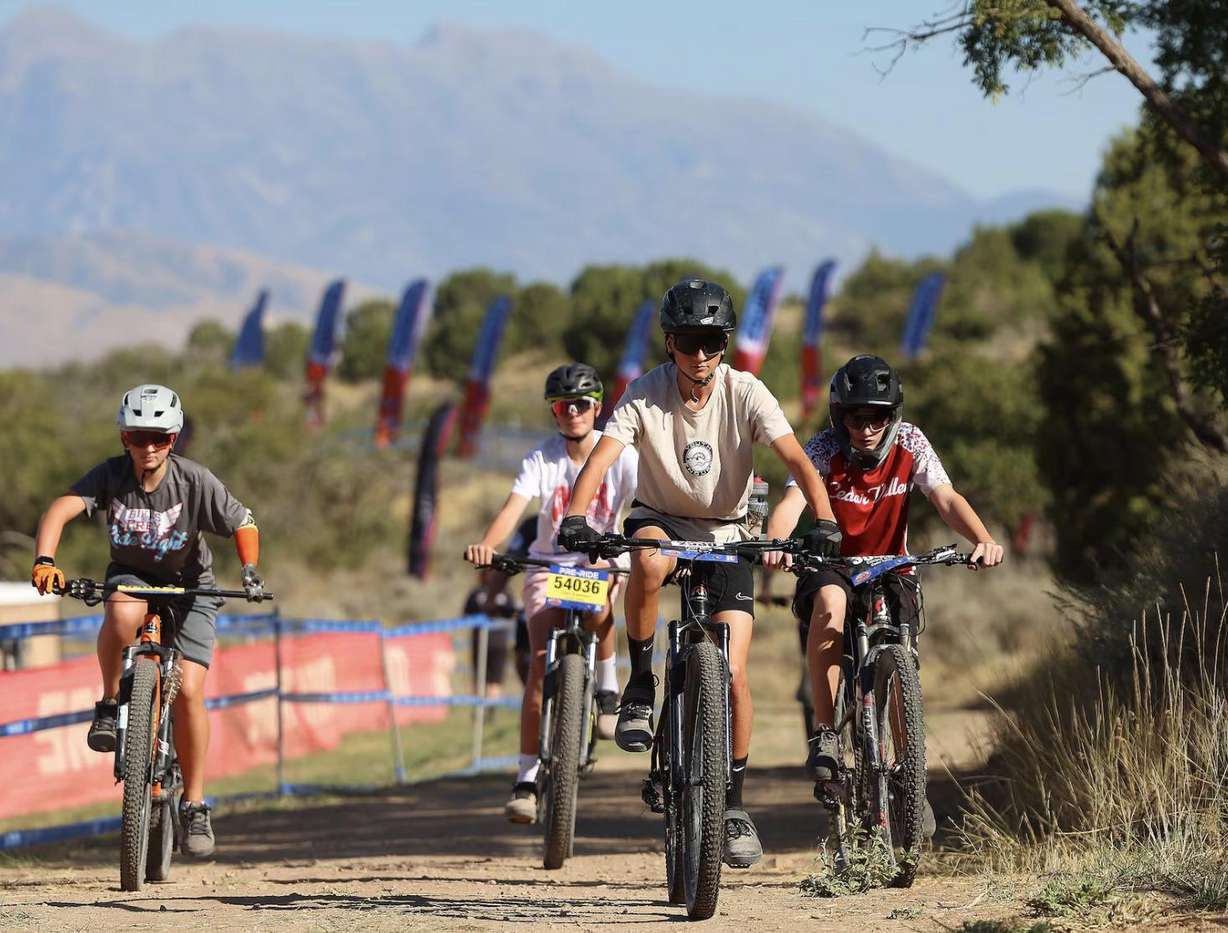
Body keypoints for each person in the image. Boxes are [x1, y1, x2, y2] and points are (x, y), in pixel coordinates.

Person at [557, 278, 842, 868]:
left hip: (728, 533)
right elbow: (602, 458)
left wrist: (825, 519)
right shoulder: (643, 393)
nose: (701, 354)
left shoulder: (747, 392)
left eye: (712, 341)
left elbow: (796, 459)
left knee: (734, 674)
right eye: (689, 341)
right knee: (647, 557)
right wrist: (577, 515)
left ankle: (733, 803)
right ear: (669, 343)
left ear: (725, 344)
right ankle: (640, 684)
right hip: (660, 519)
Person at [30, 384, 265, 859]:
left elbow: (243, 522)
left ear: (173, 439)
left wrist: (248, 570)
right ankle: (110, 701)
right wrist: (44, 559)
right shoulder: (112, 476)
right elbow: (61, 507)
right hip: (133, 576)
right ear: (124, 437)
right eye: (139, 436)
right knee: (120, 610)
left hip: (191, 587)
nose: (149, 447)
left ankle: (195, 803)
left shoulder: (195, 481)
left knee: (192, 693)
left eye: (160, 437)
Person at [763, 354, 1004, 792]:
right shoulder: (821, 449)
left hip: (892, 565)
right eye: (857, 417)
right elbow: (791, 504)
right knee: (830, 604)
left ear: (894, 416)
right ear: (840, 416)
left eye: (879, 417)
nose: (868, 428)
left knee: (902, 655)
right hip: (833, 566)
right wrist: (776, 545)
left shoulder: (911, 441)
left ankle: (908, 778)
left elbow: (945, 498)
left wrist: (982, 538)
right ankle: (826, 734)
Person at [464, 363, 638, 823]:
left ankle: (606, 690)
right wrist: (489, 545)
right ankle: (525, 777)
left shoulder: (621, 456)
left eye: (582, 404)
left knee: (603, 607)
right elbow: (513, 507)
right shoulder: (542, 459)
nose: (573, 412)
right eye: (563, 406)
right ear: (554, 413)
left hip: (603, 560)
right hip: (550, 564)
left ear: (598, 407)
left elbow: (645, 501)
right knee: (541, 664)